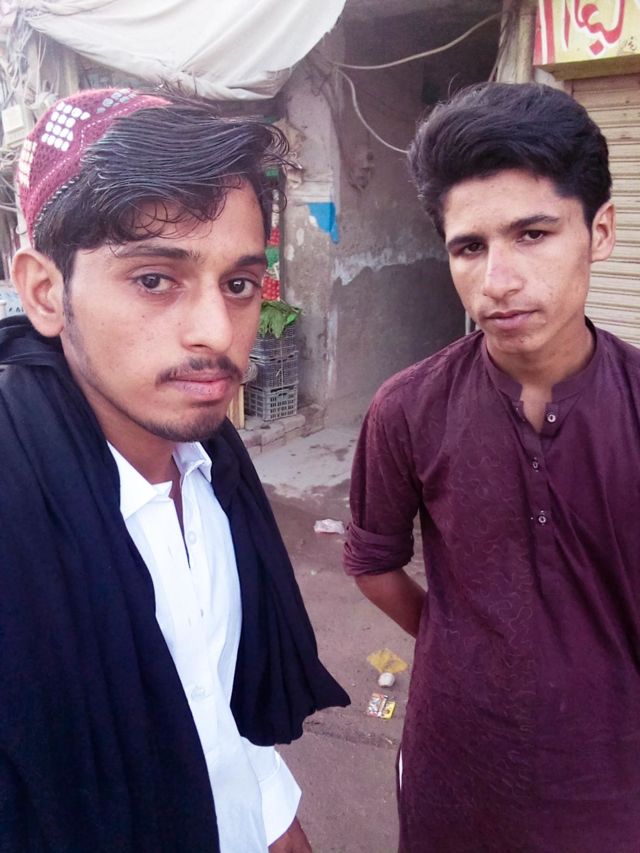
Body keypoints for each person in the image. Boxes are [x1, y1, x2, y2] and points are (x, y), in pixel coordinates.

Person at [0, 86, 349, 853]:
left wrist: (275, 821)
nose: (217, 333)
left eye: (239, 284)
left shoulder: (215, 468)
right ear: (46, 291)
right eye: (155, 279)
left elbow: (214, 705)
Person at [343, 81, 640, 852]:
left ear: (600, 232)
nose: (497, 281)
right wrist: (464, 644)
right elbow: (373, 561)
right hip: (455, 779)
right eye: (469, 247)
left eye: (533, 234)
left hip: (616, 790)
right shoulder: (407, 408)